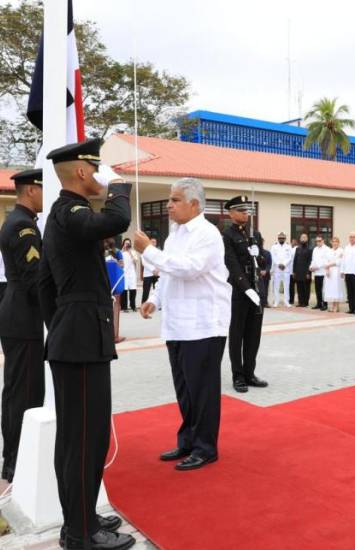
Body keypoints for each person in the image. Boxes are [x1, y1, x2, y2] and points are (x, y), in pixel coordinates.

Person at [37, 138, 133, 550]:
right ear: (80, 171)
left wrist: (60, 322)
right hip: (78, 340)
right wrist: (119, 190)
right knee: (81, 439)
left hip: (78, 336)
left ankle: (83, 516)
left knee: (89, 436)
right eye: (96, 169)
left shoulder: (67, 216)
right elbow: (113, 222)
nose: (100, 176)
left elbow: (44, 286)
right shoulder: (68, 212)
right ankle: (78, 534)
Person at [135, 177, 232, 469]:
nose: (168, 205)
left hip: (203, 325)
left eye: (175, 200)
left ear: (194, 204)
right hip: (178, 324)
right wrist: (155, 298)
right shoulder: (174, 234)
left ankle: (205, 447)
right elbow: (168, 273)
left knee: (202, 389)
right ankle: (187, 440)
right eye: (169, 199)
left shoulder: (208, 234)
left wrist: (148, 251)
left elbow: (189, 269)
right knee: (185, 388)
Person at [0, 168, 44, 484]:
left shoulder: (19, 222)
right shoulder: (23, 227)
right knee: (23, 394)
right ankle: (15, 460)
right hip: (23, 320)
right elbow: (35, 280)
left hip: (16, 317)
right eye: (43, 188)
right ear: (31, 191)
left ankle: (16, 457)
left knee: (18, 392)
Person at [221, 195, 267, 393]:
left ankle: (250, 373)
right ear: (231, 213)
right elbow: (232, 264)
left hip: (256, 289)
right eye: (241, 210)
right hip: (240, 291)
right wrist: (246, 288)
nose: (245, 213)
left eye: (247, 210)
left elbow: (263, 262)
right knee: (237, 334)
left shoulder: (254, 235)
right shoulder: (227, 236)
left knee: (253, 335)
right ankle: (238, 375)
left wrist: (260, 255)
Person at [104, 238, 125, 344]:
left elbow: (122, 265)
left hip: (112, 283)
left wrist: (115, 262)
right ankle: (113, 334)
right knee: (114, 307)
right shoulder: (103, 252)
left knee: (113, 307)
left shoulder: (117, 252)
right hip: (112, 284)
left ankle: (113, 334)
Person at [323, 236, 345, 312]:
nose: (334, 243)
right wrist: (327, 269)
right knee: (331, 288)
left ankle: (336, 306)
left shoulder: (341, 251)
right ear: (331, 242)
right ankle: (333, 305)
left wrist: (329, 265)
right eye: (333, 241)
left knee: (337, 288)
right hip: (330, 271)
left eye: (336, 241)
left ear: (338, 243)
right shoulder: (329, 251)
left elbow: (339, 261)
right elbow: (326, 260)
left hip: (337, 271)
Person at [270, 232, 293, 307]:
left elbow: (290, 257)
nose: (281, 239)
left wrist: (284, 264)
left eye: (283, 238)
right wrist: (278, 264)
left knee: (286, 286)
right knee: (276, 286)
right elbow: (273, 257)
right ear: (278, 238)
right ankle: (276, 301)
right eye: (280, 238)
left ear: (285, 238)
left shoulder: (288, 247)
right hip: (277, 269)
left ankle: (286, 301)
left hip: (286, 269)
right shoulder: (274, 247)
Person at [310, 235, 330, 310]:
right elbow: (313, 260)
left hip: (323, 272)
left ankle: (325, 304)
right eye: (316, 241)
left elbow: (326, 261)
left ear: (323, 241)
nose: (318, 242)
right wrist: (311, 267)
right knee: (317, 289)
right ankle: (319, 303)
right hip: (316, 272)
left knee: (324, 289)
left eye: (319, 241)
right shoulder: (315, 249)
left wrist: (317, 266)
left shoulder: (327, 249)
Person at [292, 233, 313, 307]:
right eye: (302, 237)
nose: (303, 239)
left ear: (307, 239)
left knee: (306, 288)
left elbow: (310, 261)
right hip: (298, 271)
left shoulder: (310, 249)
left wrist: (308, 272)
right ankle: (300, 302)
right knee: (299, 288)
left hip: (306, 272)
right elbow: (295, 260)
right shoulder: (297, 249)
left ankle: (305, 302)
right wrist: (294, 271)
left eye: (305, 237)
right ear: (300, 239)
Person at [120, 238, 140, 312]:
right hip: (124, 273)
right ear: (123, 244)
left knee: (133, 290)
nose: (127, 245)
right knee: (124, 290)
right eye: (126, 243)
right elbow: (118, 260)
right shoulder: (121, 252)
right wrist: (123, 249)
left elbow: (136, 261)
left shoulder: (133, 252)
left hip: (132, 273)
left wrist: (130, 252)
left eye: (128, 243)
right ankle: (124, 307)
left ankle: (133, 306)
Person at [140, 238, 159, 304]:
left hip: (157, 273)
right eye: (152, 242)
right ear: (149, 243)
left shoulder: (158, 251)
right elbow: (144, 263)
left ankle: (157, 304)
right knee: (146, 290)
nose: (153, 243)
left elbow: (159, 261)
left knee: (157, 290)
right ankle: (144, 303)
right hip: (148, 274)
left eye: (155, 242)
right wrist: (152, 269)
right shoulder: (144, 251)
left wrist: (157, 270)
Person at [258, 236, 272, 308]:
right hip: (257, 274)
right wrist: (259, 271)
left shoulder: (267, 253)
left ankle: (265, 303)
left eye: (262, 241)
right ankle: (258, 303)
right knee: (258, 289)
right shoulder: (255, 253)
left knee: (265, 289)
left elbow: (269, 264)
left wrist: (266, 270)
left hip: (266, 274)